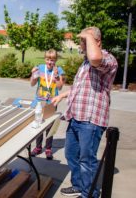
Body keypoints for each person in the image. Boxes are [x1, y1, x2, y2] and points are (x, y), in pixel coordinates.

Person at [51, 27, 118, 198]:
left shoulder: (107, 59)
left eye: (85, 40)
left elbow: (96, 58)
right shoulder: (85, 63)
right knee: (71, 154)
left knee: (87, 160)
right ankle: (79, 186)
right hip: (76, 117)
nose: (81, 44)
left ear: (97, 41)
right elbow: (80, 87)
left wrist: (88, 35)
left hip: (91, 120)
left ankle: (90, 194)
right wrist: (63, 95)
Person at [30, 49, 65, 160]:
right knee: (39, 123)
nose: (50, 62)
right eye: (48, 59)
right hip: (39, 101)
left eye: (53, 60)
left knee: (50, 125)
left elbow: (60, 87)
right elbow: (32, 84)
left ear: (56, 60)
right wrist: (33, 74)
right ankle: (38, 147)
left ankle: (48, 148)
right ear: (45, 59)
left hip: (52, 102)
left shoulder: (59, 70)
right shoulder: (40, 68)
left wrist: (56, 77)